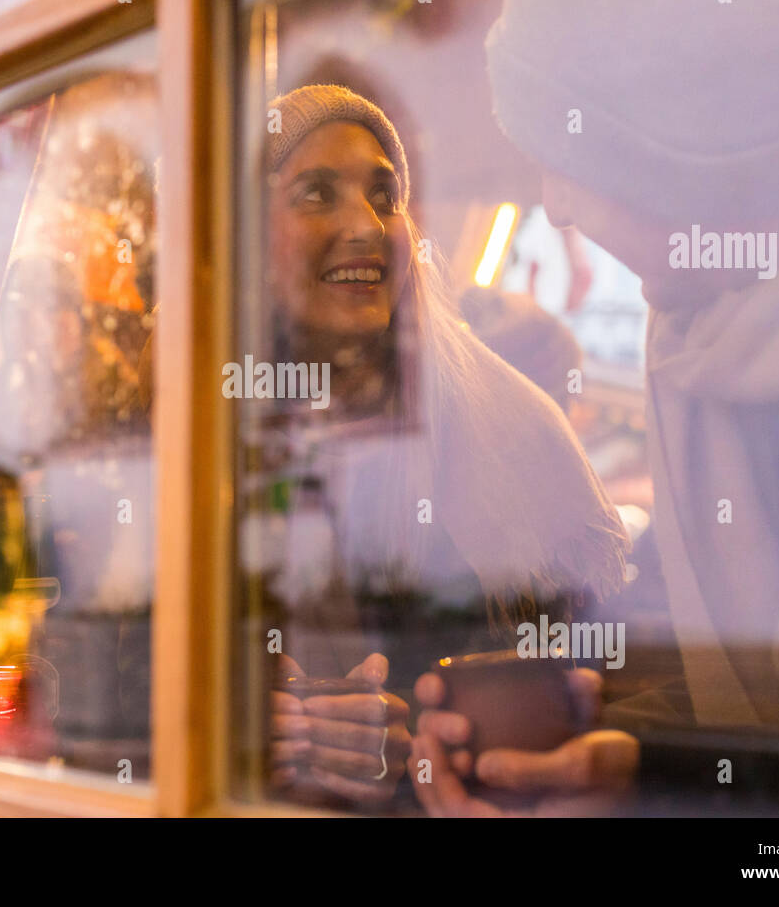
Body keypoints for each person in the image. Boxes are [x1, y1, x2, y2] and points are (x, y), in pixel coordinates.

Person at [411, 0, 779, 815]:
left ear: (678, 148)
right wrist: (614, 744)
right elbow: (731, 696)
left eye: (569, 158)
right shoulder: (693, 338)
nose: (553, 207)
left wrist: (657, 776)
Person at [252, 84, 634, 809]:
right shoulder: (198, 435)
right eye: (314, 194)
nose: (365, 224)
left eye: (384, 194)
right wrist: (241, 730)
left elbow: (616, 684)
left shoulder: (515, 426)